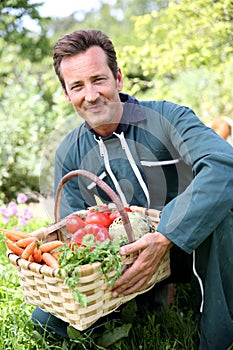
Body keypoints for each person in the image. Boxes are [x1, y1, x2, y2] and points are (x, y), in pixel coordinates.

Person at [33, 29, 233, 349]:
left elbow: (224, 165)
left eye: (99, 79)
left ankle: (216, 328)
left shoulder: (170, 116)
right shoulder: (70, 151)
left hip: (190, 247)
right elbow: (73, 229)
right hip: (125, 258)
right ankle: (141, 296)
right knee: (46, 321)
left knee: (223, 212)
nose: (91, 95)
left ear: (118, 79)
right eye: (77, 86)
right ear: (67, 94)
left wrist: (167, 235)